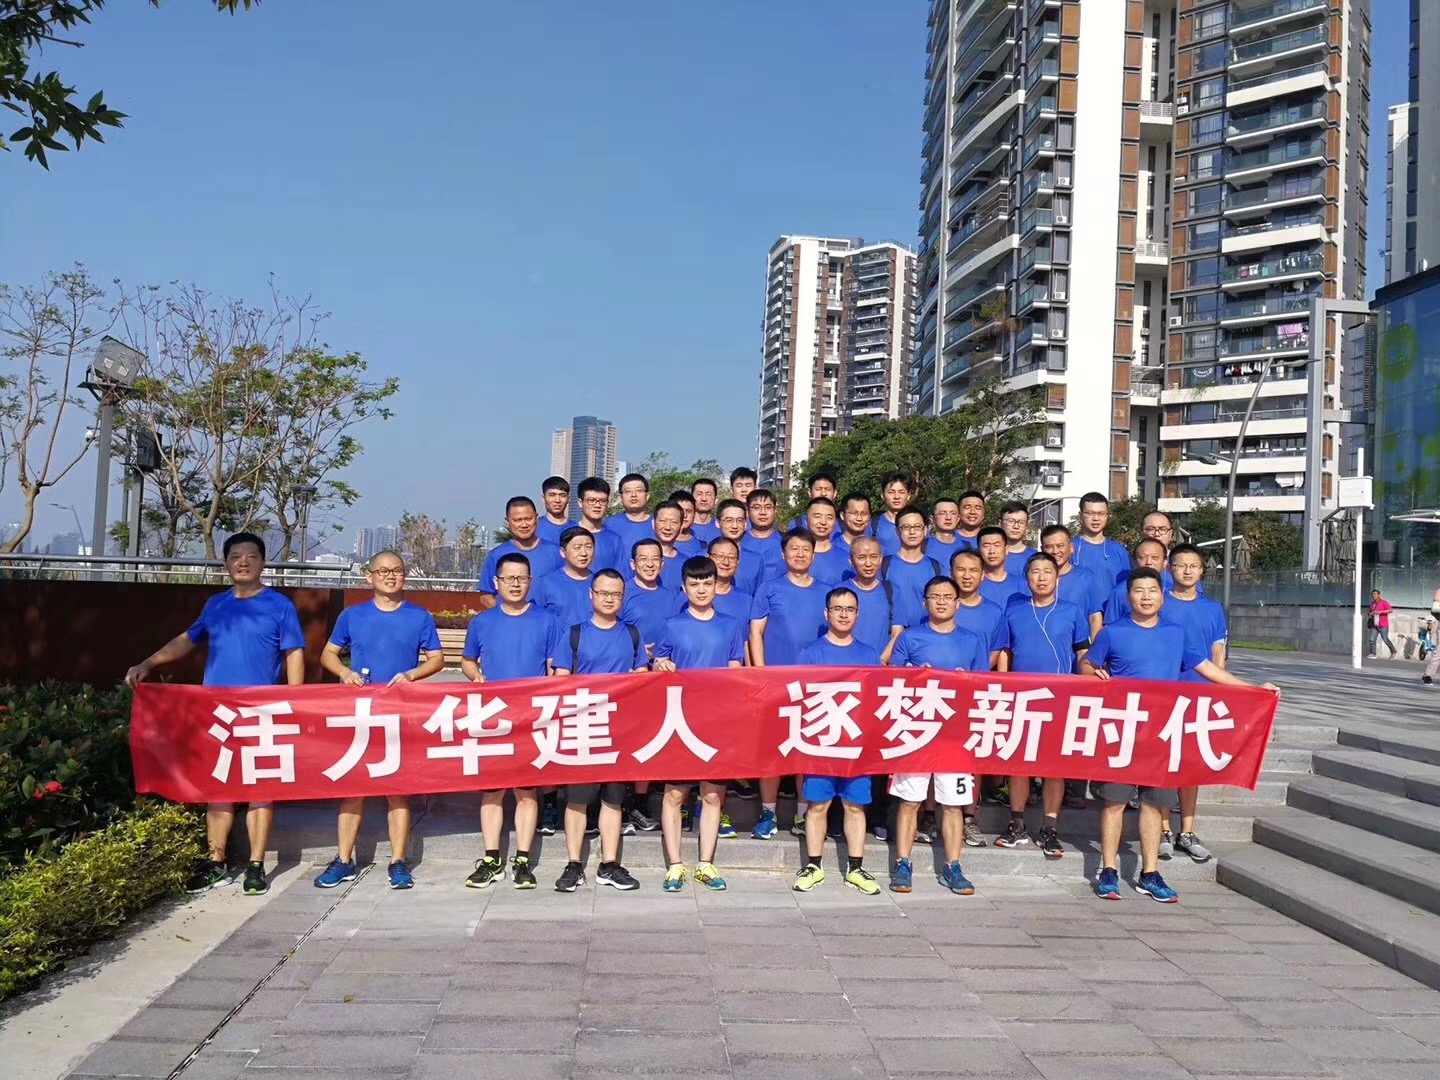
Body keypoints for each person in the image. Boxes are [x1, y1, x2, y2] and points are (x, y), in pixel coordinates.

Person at [1083, 568, 1279, 903]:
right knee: (1115, 803)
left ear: (1162, 597)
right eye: (1139, 591)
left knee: (1154, 804)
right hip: (1122, 732)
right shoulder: (1112, 632)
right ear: (1128, 597)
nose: (1146, 597)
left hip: (1163, 733)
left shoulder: (1175, 633)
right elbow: (1088, 665)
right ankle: (1109, 870)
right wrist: (1093, 672)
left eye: (1152, 591)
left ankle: (1149, 873)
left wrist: (1254, 689)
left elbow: (1207, 668)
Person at [126, 532, 304, 897]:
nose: (243, 562)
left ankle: (256, 866)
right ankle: (216, 863)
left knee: (260, 790)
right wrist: (149, 662)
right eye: (235, 556)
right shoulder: (216, 605)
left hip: (261, 712)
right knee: (219, 788)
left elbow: (294, 654)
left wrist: (295, 702)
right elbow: (187, 640)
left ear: (263, 563)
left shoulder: (280, 605)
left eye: (251, 556)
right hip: (218, 713)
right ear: (226, 564)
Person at [316, 551, 444, 890]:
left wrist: (412, 675)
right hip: (360, 713)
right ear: (369, 576)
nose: (390, 576)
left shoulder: (419, 617)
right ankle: (344, 860)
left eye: (397, 570)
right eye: (383, 571)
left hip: (400, 713)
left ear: (405, 575)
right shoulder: (352, 615)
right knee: (353, 788)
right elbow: (328, 654)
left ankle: (398, 861)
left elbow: (437, 659)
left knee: (397, 790)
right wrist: (345, 673)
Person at [460, 553, 563, 890]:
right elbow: (467, 661)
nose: (516, 584)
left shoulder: (547, 621)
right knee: (492, 792)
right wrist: (476, 677)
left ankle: (522, 860)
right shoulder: (482, 622)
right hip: (493, 717)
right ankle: (492, 859)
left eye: (522, 578)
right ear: (496, 582)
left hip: (531, 718)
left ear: (530, 581)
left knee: (526, 792)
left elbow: (554, 667)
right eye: (509, 578)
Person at [887, 576, 989, 896]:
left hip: (955, 735)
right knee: (910, 801)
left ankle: (953, 866)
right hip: (916, 733)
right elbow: (892, 682)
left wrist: (966, 681)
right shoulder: (910, 637)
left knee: (953, 805)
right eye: (935, 596)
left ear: (958, 603)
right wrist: (914, 677)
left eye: (947, 597)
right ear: (925, 602)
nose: (942, 601)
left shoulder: (972, 640)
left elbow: (984, 685)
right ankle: (903, 863)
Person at [550, 569, 647, 893]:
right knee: (577, 800)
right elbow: (560, 681)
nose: (609, 599)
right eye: (603, 593)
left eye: (616, 594)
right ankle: (573, 864)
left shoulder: (632, 634)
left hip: (620, 729)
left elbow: (641, 678)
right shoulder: (574, 634)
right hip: (583, 726)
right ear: (591, 595)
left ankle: (609, 864)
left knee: (613, 799)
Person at [652, 556, 745, 892]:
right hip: (680, 720)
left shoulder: (731, 625)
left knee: (712, 795)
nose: (701, 590)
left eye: (707, 583)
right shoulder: (671, 625)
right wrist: (661, 665)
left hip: (716, 720)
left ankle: (705, 863)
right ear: (684, 587)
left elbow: (736, 668)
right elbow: (658, 662)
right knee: (675, 793)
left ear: (716, 585)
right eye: (694, 584)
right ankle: (675, 865)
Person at [995, 552, 1090, 858]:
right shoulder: (1014, 611)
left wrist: (1091, 679)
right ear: (1027, 578)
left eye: (1047, 571)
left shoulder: (1072, 611)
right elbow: (1005, 652)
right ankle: (1017, 823)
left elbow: (1082, 654)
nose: (1041, 577)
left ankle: (1050, 828)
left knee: (1053, 767)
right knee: (1019, 765)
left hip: (1060, 699)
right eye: (1035, 571)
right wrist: (1004, 686)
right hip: (1022, 699)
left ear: (1057, 577)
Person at [792, 587, 883, 897]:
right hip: (820, 743)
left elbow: (877, 698)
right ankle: (813, 866)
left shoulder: (869, 654)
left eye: (850, 609)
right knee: (817, 806)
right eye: (837, 608)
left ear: (857, 615)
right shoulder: (810, 653)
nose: (844, 614)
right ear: (826, 613)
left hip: (856, 745)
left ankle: (855, 868)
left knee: (855, 807)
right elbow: (799, 697)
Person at [750, 530, 828, 838]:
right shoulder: (769, 588)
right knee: (772, 751)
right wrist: (761, 673)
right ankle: (767, 812)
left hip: (813, 685)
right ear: (783, 554)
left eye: (805, 549)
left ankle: (802, 814)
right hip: (775, 683)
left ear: (814, 554)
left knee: (806, 751)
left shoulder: (826, 592)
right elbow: (756, 632)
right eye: (793, 549)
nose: (799, 554)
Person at [1160, 543, 1229, 864]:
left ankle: (1186, 831)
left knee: (1190, 767)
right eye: (1180, 565)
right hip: (1164, 694)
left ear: (1202, 571)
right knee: (1164, 765)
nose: (1187, 571)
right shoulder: (1160, 603)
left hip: (1200, 695)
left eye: (1193, 566)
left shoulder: (1212, 609)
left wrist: (1219, 690)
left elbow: (1218, 653)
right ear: (1169, 569)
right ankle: (1163, 830)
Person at [476, 497, 561, 598]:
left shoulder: (556, 553)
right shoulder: (496, 555)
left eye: (528, 519)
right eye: (517, 520)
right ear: (507, 522)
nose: (524, 525)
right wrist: (507, 608)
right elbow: (486, 596)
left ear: (536, 518)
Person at [883, 506, 947, 629]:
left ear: (925, 530)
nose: (912, 532)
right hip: (891, 634)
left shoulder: (937, 568)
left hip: (926, 634)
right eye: (906, 527)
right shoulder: (884, 565)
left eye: (917, 527)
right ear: (897, 531)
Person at [1039, 525, 1106, 640]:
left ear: (1071, 547)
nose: (1055, 551)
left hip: (1078, 647)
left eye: (1060, 546)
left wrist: (1095, 648)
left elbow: (1094, 617)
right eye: (1049, 547)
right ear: (1042, 550)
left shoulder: (1086, 577)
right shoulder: (1036, 579)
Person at [950, 549, 1009, 669]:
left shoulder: (994, 612)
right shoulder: (940, 608)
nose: (967, 576)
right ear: (951, 573)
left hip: (978, 677)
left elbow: (995, 651)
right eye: (961, 569)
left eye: (973, 570)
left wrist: (973, 674)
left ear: (982, 575)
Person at [619, 539, 676, 658]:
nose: (650, 564)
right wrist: (634, 649)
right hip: (633, 665)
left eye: (655, 559)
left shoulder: (671, 596)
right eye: (643, 559)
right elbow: (609, 632)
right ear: (633, 564)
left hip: (665, 664)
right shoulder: (621, 594)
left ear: (662, 564)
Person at [531, 527, 596, 629]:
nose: (584, 553)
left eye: (588, 547)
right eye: (577, 548)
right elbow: (535, 620)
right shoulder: (545, 583)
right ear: (562, 552)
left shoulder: (601, 583)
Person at [1102, 538, 1169, 624]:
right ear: (1134, 561)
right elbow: (1111, 626)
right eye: (1142, 557)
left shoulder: (1173, 589)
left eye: (1155, 558)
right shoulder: (1119, 592)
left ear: (1165, 562)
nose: (1148, 562)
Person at [1072, 492, 1132, 585]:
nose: (1096, 518)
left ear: (1107, 516)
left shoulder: (1118, 550)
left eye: (1101, 513)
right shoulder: (1070, 549)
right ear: (1081, 515)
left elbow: (1125, 586)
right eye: (1090, 513)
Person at [574, 476, 627, 574]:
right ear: (580, 503)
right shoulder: (568, 536)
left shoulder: (615, 540)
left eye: (602, 501)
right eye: (591, 500)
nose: (597, 505)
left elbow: (619, 574)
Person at [715, 497, 763, 596]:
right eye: (729, 520)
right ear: (717, 522)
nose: (735, 526)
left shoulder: (756, 559)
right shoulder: (702, 556)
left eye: (739, 520)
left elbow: (760, 595)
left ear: (745, 524)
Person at [743, 488, 786, 583]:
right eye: (756, 507)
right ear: (747, 511)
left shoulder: (787, 541)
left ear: (775, 510)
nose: (763, 512)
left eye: (768, 507)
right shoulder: (738, 541)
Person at [605, 473, 656, 552]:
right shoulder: (610, 524)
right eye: (628, 491)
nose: (633, 495)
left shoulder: (658, 523)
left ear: (647, 496)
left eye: (639, 490)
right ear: (621, 498)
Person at [977, 526, 1026, 609]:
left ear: (1006, 549)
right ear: (979, 550)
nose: (991, 551)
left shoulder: (1022, 584)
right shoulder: (973, 583)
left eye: (996, 545)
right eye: (986, 546)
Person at [806, 498, 851, 584]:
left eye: (829, 518)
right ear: (806, 520)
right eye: (817, 516)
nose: (823, 522)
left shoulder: (847, 558)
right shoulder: (795, 557)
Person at [652, 501, 692, 588]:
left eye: (674, 522)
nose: (667, 527)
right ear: (653, 523)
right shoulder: (639, 559)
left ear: (681, 527)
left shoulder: (687, 564)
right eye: (663, 521)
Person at [874, 472, 914, 555]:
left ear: (908, 496)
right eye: (891, 492)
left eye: (901, 492)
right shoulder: (873, 525)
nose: (896, 497)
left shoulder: (918, 524)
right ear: (882, 495)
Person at [925, 497, 963, 568]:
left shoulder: (966, 546)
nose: (948, 518)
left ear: (958, 518)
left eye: (953, 513)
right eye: (942, 513)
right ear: (933, 519)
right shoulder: (923, 545)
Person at [1000, 501, 1034, 576]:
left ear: (1026, 525)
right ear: (1001, 523)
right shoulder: (991, 554)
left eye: (1021, 522)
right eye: (1011, 521)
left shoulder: (1035, 556)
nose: (1016, 526)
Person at [668, 489, 705, 556]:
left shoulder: (703, 546)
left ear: (694, 513)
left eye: (689, 511)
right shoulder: (658, 544)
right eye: (681, 511)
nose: (685, 515)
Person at [538, 476, 572, 544]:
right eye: (552, 495)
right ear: (543, 498)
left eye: (562, 495)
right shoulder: (533, 527)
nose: (557, 500)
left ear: (568, 499)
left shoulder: (577, 528)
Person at [1367, 588, 1397, 659]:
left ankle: (1393, 651)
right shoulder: (1372, 604)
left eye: (1375, 594)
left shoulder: (1384, 602)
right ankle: (1373, 653)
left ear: (1379, 595)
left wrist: (1380, 612)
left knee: (1385, 639)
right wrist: (1370, 614)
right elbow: (1369, 612)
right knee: (1371, 639)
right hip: (1374, 625)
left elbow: (1390, 610)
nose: (1373, 596)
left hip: (1383, 625)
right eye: (1372, 594)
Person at [691, 478, 720, 542]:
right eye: (699, 494)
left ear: (716, 500)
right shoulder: (683, 527)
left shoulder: (723, 527)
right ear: (691, 498)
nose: (704, 499)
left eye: (708, 494)